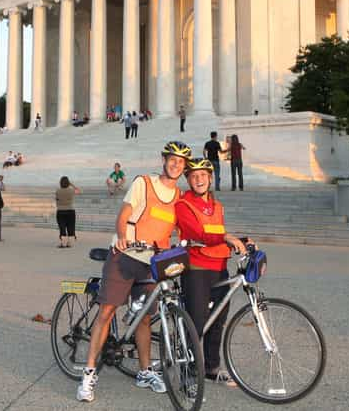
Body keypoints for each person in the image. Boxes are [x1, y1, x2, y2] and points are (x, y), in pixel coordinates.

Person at [77, 140, 192, 403]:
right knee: (106, 312)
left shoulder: (179, 197)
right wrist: (121, 236)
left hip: (153, 262)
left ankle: (145, 371)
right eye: (172, 159)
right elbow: (125, 212)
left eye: (181, 161)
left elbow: (182, 227)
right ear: (164, 160)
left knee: (143, 317)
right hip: (126, 255)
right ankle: (89, 373)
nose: (176, 164)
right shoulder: (144, 183)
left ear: (184, 167)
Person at [176, 157, 250, 388]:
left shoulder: (217, 206)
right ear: (188, 180)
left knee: (218, 321)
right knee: (196, 323)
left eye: (203, 175)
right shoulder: (183, 204)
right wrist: (227, 237)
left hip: (219, 268)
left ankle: (211, 368)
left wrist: (244, 241)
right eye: (194, 176)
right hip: (196, 269)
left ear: (210, 178)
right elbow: (199, 233)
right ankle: (188, 371)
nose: (199, 180)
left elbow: (217, 234)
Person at [56, 176, 81, 248]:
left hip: (60, 211)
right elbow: (78, 190)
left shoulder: (58, 191)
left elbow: (57, 199)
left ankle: (63, 243)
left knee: (62, 227)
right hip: (70, 211)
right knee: (71, 227)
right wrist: (72, 184)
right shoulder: (71, 190)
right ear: (68, 183)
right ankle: (70, 243)